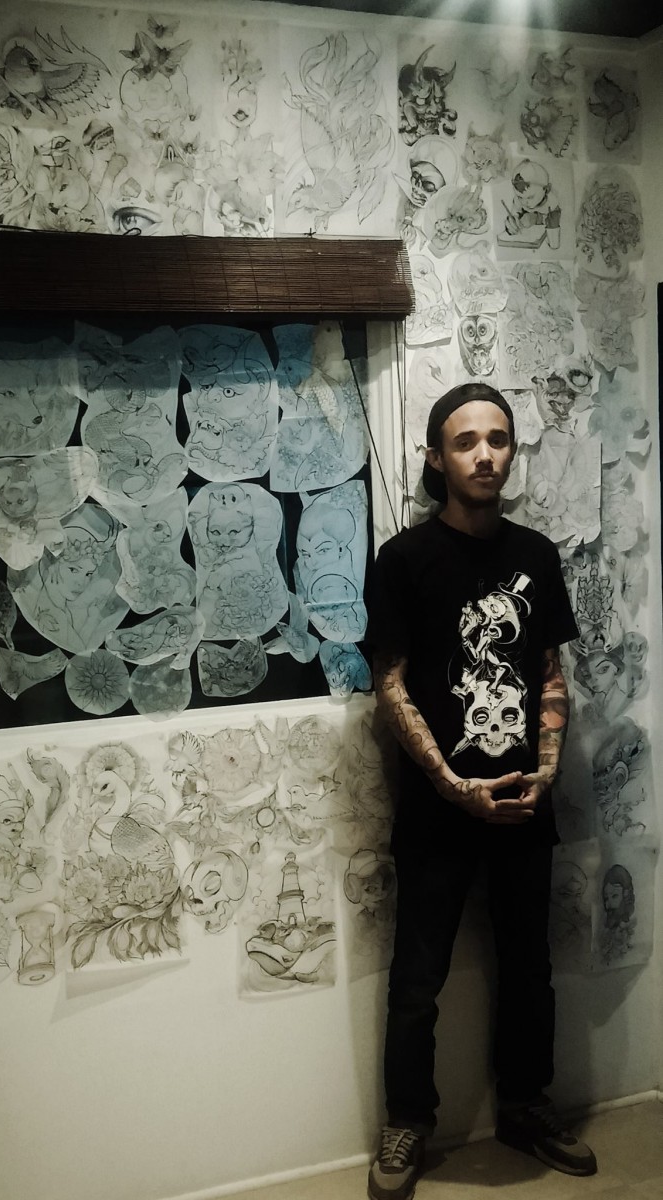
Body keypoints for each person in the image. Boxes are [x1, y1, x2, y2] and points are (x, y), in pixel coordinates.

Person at [364, 382, 596, 1200]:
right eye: (464, 441)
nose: (484, 454)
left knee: (530, 968)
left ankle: (525, 1107)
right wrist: (451, 784)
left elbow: (548, 672)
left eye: (497, 438)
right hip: (438, 811)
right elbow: (389, 685)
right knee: (416, 982)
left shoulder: (534, 554)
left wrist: (546, 768)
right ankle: (407, 1123)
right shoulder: (403, 560)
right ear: (435, 457)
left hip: (523, 802)